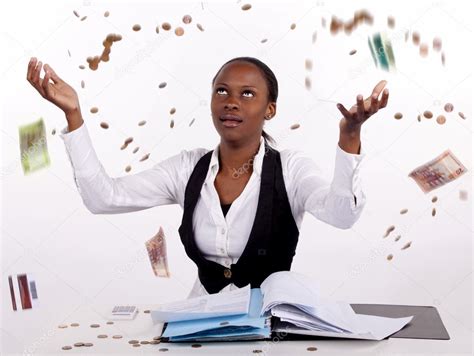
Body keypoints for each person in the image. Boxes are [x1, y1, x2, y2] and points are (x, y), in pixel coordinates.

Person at [26, 56, 389, 297]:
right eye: (222, 92)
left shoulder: (291, 169)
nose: (232, 102)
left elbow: (342, 215)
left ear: (270, 109)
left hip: (276, 323)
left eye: (248, 94)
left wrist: (350, 136)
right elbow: (103, 198)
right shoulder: (187, 169)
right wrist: (74, 115)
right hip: (201, 324)